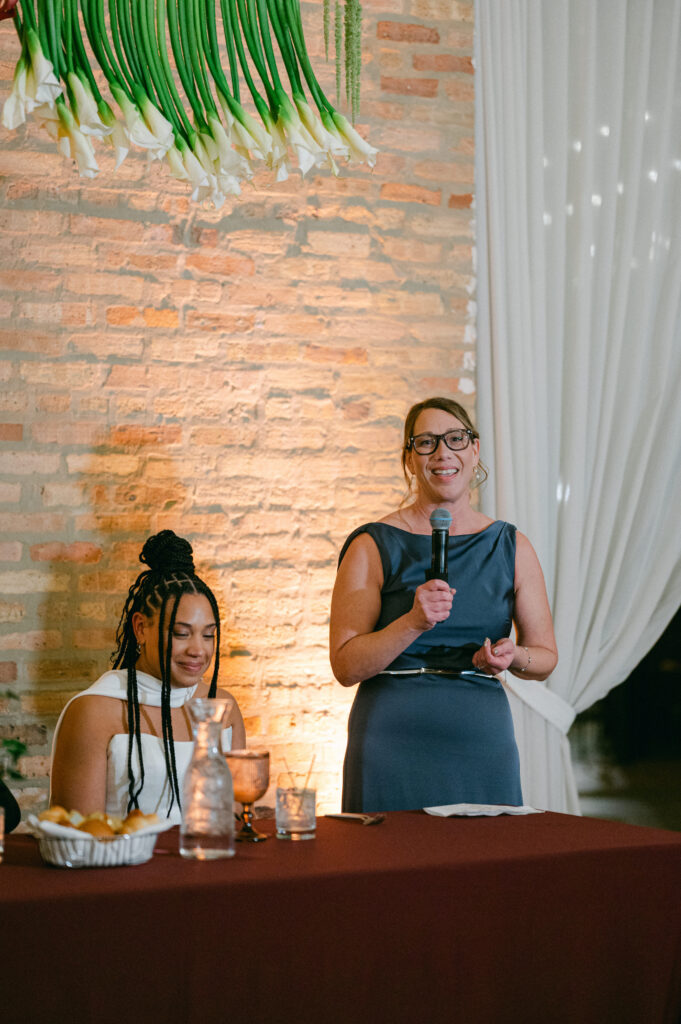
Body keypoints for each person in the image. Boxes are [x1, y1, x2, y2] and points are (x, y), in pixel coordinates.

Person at [330, 396, 558, 812]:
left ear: (475, 449)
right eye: (426, 442)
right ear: (409, 458)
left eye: (456, 438)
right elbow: (346, 667)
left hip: (481, 739)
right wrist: (412, 622)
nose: (442, 453)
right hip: (390, 737)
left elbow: (545, 657)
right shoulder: (371, 544)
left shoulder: (511, 545)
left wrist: (513, 656)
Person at [50, 530, 245, 823]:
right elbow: (81, 835)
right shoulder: (93, 712)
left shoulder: (223, 708)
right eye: (181, 633)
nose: (198, 650)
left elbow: (237, 821)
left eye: (208, 635)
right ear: (140, 628)